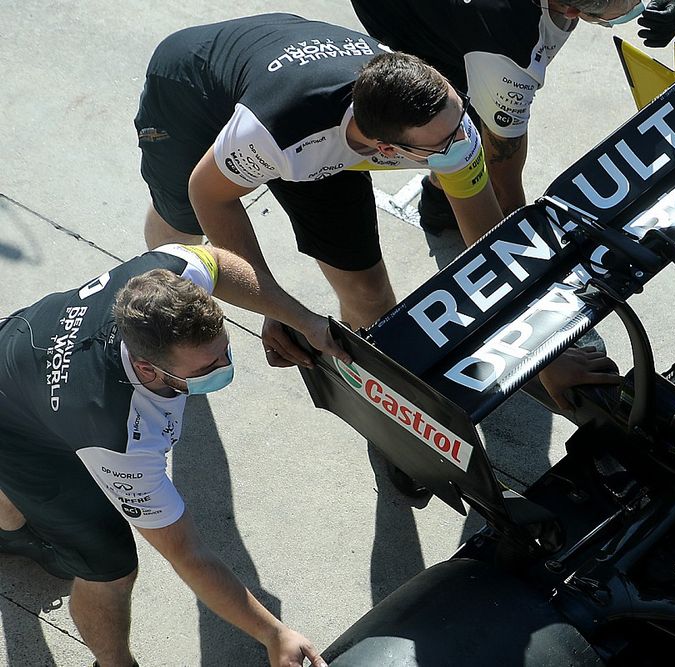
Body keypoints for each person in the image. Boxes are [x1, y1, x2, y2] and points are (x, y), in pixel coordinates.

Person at [134, 12, 613, 410]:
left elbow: (490, 246)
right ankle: (163, 283)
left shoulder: (445, 124)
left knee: (367, 292)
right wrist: (272, 305)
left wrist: (546, 354)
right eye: (443, 145)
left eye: (458, 124)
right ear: (387, 149)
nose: (463, 143)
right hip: (192, 91)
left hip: (313, 124)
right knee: (183, 223)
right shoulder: (280, 133)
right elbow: (210, 193)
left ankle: (381, 407)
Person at [0, 244, 328, 667]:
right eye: (205, 369)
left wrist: (298, 318)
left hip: (20, 350)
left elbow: (220, 265)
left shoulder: (167, 273)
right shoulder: (123, 439)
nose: (225, 366)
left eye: (223, 350)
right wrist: (273, 632)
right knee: (109, 566)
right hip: (17, 426)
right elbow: (187, 554)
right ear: (149, 370)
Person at [349, 0, 675, 230]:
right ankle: (441, 198)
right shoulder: (511, 56)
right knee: (450, 118)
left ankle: (441, 195)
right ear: (572, 11)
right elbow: (504, 179)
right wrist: (531, 266)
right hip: (399, 10)